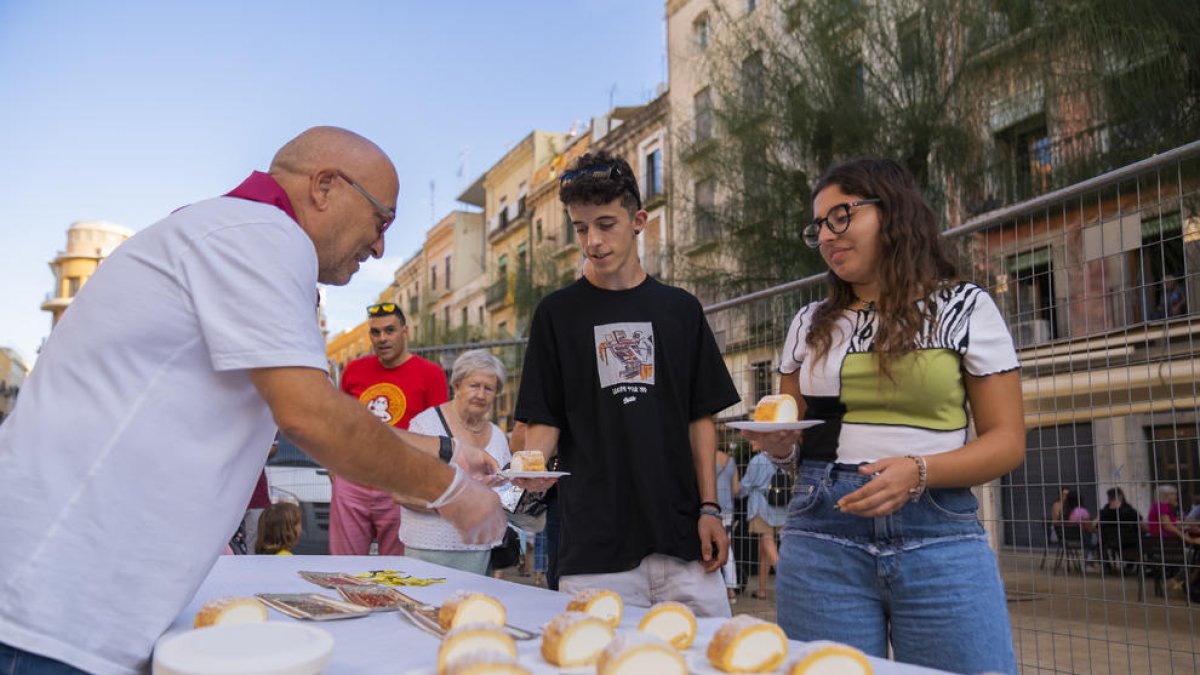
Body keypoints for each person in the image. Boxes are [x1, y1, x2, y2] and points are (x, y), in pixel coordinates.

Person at [0, 127, 506, 675]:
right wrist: (450, 490)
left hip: (64, 605)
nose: (380, 245)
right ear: (325, 187)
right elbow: (311, 414)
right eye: (380, 220)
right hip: (50, 614)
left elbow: (322, 411)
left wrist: (445, 450)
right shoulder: (263, 234)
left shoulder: (237, 231)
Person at [743, 158, 1025, 674]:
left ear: (892, 212)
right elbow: (794, 444)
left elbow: (1006, 441)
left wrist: (920, 471)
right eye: (818, 226)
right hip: (822, 535)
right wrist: (779, 448)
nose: (827, 236)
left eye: (841, 216)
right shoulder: (807, 324)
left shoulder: (964, 307)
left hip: (940, 534)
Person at [514, 150, 741, 617]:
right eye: (580, 228)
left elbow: (700, 419)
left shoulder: (681, 309)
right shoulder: (556, 314)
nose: (593, 241)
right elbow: (544, 421)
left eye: (605, 224)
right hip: (594, 549)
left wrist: (710, 509)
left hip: (683, 541)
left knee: (709, 654)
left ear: (638, 221)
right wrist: (525, 470)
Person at [331, 302, 449, 556]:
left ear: (405, 332)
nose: (382, 338)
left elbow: (438, 436)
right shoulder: (354, 370)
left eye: (390, 330)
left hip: (401, 484)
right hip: (354, 481)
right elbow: (339, 425)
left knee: (397, 567)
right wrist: (336, 473)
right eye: (375, 332)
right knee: (343, 564)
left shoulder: (431, 374)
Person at [399, 350, 513, 575]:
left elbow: (507, 497)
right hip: (428, 551)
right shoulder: (425, 426)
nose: (481, 394)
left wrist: (529, 488)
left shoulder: (498, 437)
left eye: (489, 388)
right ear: (457, 385)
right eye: (474, 385)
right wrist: (455, 502)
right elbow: (400, 493)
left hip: (481, 553)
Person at [741, 448, 786, 600]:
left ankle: (787, 579)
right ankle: (761, 590)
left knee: (767, 541)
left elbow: (745, 485)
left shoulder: (757, 460)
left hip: (761, 506)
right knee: (764, 551)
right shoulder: (781, 457)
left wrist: (736, 492)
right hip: (780, 507)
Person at [714, 446, 741, 602]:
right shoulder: (731, 461)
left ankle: (714, 587)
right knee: (727, 547)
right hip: (727, 510)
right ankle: (731, 589)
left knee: (710, 546)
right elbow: (736, 490)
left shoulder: (707, 458)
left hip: (711, 509)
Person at [1097, 486, 1142, 570]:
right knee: (1142, 539)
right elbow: (1139, 518)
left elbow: (1098, 526)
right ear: (1120, 496)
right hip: (1128, 540)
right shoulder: (1127, 509)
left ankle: (1107, 567)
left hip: (1109, 541)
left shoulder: (1104, 511)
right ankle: (1131, 564)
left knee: (1101, 542)